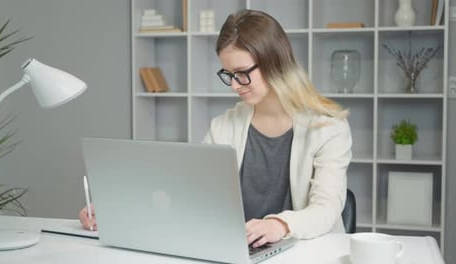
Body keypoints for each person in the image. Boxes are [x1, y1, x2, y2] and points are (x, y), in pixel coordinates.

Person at [80, 9, 352, 248]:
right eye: (228, 75)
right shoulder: (224, 126)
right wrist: (115, 211)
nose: (235, 84)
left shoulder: (328, 127)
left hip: (305, 253)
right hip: (238, 252)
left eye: (242, 72)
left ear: (275, 62)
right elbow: (186, 191)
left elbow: (326, 208)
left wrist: (278, 226)